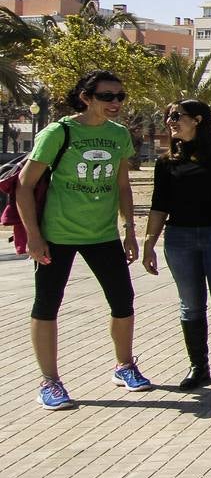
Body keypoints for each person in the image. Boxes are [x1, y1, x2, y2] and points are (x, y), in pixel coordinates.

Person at [16, 70, 147, 409]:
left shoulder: (119, 135)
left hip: (102, 235)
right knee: (47, 305)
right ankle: (50, 381)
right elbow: (24, 185)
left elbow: (122, 186)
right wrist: (34, 235)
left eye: (120, 96)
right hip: (57, 235)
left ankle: (125, 365)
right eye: (107, 96)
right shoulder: (58, 132)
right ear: (86, 98)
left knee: (123, 301)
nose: (115, 103)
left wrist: (129, 230)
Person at [142, 99, 211, 389]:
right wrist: (148, 243)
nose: (171, 121)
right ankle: (198, 367)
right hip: (179, 237)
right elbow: (158, 205)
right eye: (168, 116)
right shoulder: (167, 162)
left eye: (177, 115)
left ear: (199, 120)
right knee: (190, 305)